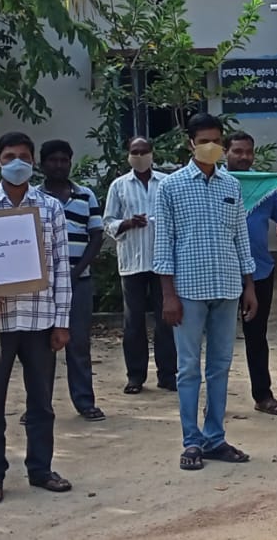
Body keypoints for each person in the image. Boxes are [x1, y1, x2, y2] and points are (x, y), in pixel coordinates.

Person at [0, 132, 73, 504]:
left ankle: (41, 469)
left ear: (33, 162)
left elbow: (62, 269)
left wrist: (63, 321)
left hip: (40, 321)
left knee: (42, 402)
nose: (18, 162)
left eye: (24, 156)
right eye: (10, 156)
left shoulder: (50, 209)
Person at [153, 113, 258, 471]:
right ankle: (191, 441)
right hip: (187, 291)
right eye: (204, 140)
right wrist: (168, 294)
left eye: (216, 140)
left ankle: (215, 437)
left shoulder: (231, 186)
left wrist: (249, 286)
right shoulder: (171, 187)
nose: (211, 146)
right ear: (190, 143)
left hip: (227, 287)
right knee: (187, 369)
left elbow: (240, 238)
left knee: (220, 366)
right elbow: (163, 243)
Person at [224, 131, 277, 415]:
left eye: (248, 152)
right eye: (237, 151)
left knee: (256, 336)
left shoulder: (263, 186)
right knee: (215, 338)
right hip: (220, 272)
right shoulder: (213, 184)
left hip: (259, 273)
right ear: (225, 153)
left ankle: (263, 395)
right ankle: (211, 399)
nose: (244, 157)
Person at [38, 140, 105, 422]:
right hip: (41, 286)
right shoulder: (33, 198)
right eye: (52, 160)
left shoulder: (85, 195)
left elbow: (97, 236)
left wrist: (75, 272)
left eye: (64, 160)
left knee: (78, 344)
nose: (59, 165)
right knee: (40, 347)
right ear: (41, 165)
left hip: (79, 282)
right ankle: (39, 405)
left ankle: (85, 402)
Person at [104, 136, 177, 394]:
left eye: (144, 151)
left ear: (152, 153)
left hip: (162, 261)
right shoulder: (119, 186)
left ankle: (168, 374)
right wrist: (127, 223)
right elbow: (108, 222)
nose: (140, 155)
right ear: (128, 155)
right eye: (135, 151)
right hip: (132, 262)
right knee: (133, 322)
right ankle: (135, 376)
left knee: (166, 319)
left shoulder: (167, 183)